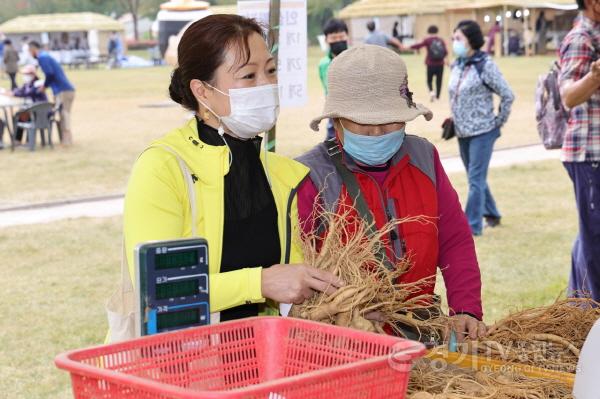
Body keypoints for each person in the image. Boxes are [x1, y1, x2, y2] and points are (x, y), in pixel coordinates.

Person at [117, 15, 343, 338]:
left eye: (271, 70)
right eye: (248, 75)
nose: (266, 85)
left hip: (259, 363)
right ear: (202, 91)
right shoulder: (164, 167)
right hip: (181, 367)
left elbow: (296, 279)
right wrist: (260, 282)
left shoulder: (283, 175)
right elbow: (160, 290)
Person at [297, 44, 485, 341]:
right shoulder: (309, 177)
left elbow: (454, 240)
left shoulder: (424, 158)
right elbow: (296, 274)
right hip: (344, 342)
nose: (378, 132)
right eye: (365, 123)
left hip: (419, 333)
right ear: (336, 120)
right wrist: (344, 306)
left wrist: (466, 308)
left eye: (389, 120)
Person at [449, 20, 514, 236]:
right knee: (475, 177)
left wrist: (498, 122)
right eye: (453, 38)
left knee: (475, 180)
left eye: (458, 38)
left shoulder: (485, 65)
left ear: (471, 40)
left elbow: (507, 94)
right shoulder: (457, 64)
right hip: (462, 132)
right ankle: (492, 213)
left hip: (482, 132)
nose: (454, 42)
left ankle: (471, 227)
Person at [558, 0, 600, 301]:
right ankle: (594, 314)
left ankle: (578, 305)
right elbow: (568, 96)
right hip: (589, 155)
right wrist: (595, 76)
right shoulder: (580, 39)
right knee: (595, 238)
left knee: (590, 233)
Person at [28, 41, 76, 146]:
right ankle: (66, 139)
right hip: (62, 89)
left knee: (64, 114)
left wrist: (44, 87)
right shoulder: (45, 56)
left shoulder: (42, 58)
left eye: (29, 51)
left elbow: (50, 73)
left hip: (63, 90)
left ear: (33, 50)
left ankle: (67, 139)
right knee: (63, 114)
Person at [319, 18, 349, 140]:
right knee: (332, 144)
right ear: (326, 40)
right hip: (334, 112)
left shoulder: (358, 59)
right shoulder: (323, 64)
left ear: (348, 36)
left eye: (341, 37)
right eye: (334, 38)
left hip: (356, 112)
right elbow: (326, 88)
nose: (338, 41)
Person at [8, 64, 48, 144]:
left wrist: (14, 93)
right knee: (18, 115)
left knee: (24, 116)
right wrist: (10, 92)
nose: (25, 76)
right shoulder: (27, 84)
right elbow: (19, 91)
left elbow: (28, 93)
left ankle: (28, 140)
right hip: (31, 110)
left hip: (41, 112)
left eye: (27, 74)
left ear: (33, 74)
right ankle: (18, 140)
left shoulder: (39, 83)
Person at [410, 25, 448, 102]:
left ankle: (432, 92)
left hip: (430, 64)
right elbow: (446, 52)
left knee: (429, 80)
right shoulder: (441, 40)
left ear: (428, 32)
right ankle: (437, 97)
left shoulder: (427, 40)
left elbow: (419, 46)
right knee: (439, 81)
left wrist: (408, 47)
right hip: (440, 64)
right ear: (437, 31)